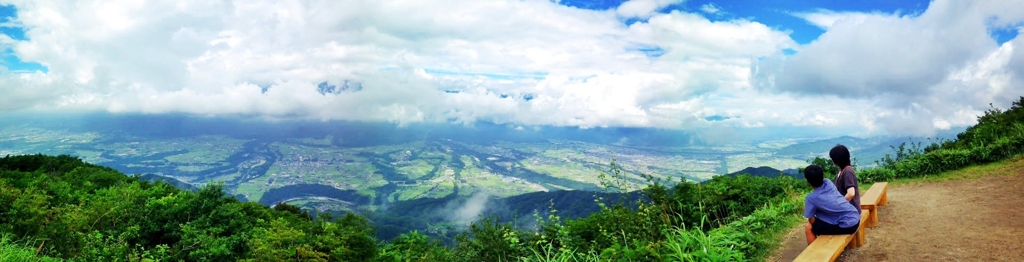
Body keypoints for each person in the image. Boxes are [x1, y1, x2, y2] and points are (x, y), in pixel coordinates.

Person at [803, 164, 860, 245]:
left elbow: (811, 220)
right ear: (822, 176)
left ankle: (814, 254)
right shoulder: (828, 182)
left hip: (847, 226)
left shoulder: (811, 198)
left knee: (809, 227)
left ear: (808, 181)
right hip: (855, 217)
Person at [830, 144, 860, 212]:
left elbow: (851, 193)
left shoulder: (848, 172)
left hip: (850, 211)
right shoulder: (841, 170)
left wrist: (839, 205)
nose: (832, 160)